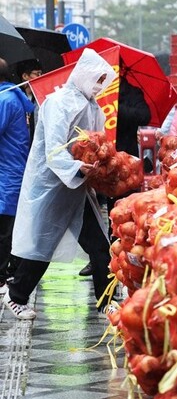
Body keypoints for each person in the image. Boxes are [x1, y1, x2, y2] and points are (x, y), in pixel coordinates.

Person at [3, 48, 117, 320]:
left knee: (101, 246)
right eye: (98, 79)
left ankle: (106, 301)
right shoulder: (58, 103)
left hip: (77, 190)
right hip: (52, 188)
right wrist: (77, 167)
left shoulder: (92, 106)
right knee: (41, 247)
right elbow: (54, 149)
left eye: (104, 80)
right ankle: (16, 295)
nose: (100, 86)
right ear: (85, 75)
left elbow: (93, 141)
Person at [79, 75, 152, 278]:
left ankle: (119, 258)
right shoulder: (92, 93)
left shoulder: (131, 93)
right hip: (96, 161)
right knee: (94, 210)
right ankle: (98, 259)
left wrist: (117, 107)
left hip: (124, 165)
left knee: (120, 212)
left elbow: (144, 115)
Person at [0, 57, 36, 296]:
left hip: (7, 175)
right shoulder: (12, 97)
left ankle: (2, 276)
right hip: (12, 172)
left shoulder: (4, 100)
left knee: (4, 230)